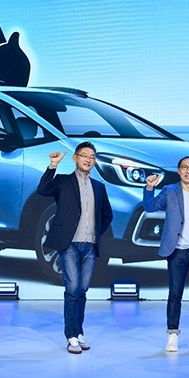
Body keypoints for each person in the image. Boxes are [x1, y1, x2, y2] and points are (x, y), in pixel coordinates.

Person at [37, 142, 113, 354]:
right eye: (84, 155)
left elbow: (107, 215)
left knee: (82, 289)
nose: (88, 160)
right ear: (75, 158)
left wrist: (96, 232)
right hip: (68, 243)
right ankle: (71, 336)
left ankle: (79, 332)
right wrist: (53, 166)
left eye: (92, 157)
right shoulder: (62, 181)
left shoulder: (99, 187)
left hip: (90, 245)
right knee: (72, 290)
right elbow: (43, 189)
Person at [143, 156, 189, 353]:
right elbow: (150, 207)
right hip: (176, 251)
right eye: (184, 167)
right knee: (175, 294)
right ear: (178, 170)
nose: (188, 171)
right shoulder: (169, 191)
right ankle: (172, 335)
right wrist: (149, 187)